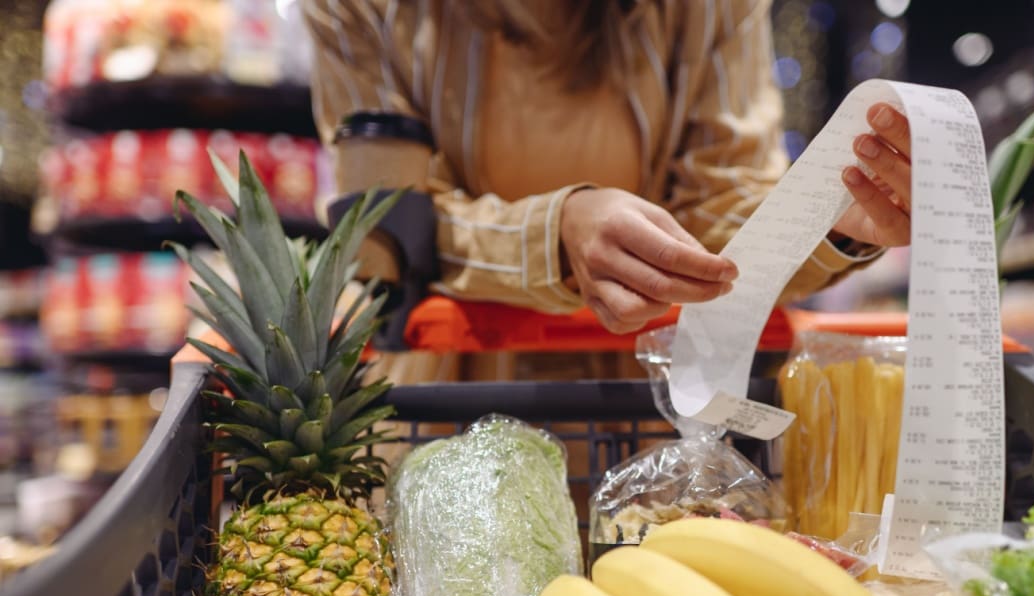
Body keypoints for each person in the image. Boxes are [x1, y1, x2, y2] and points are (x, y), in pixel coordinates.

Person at [301, 0, 912, 346]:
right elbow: (384, 229)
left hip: (650, 396)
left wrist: (833, 218)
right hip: (446, 392)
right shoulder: (362, 10)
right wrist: (556, 233)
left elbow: (724, 203)